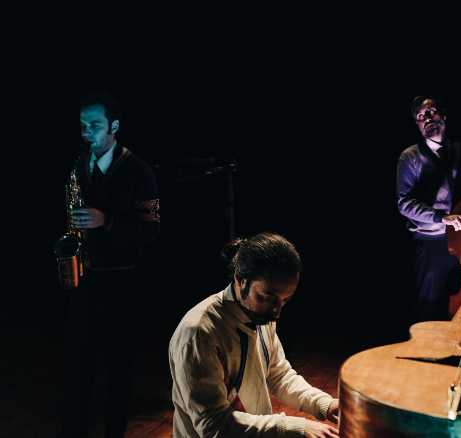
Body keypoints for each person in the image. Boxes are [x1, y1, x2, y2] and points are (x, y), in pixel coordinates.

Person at [58, 91, 160, 438]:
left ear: (114, 126)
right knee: (79, 372)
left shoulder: (139, 171)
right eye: (83, 126)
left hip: (122, 285)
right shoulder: (78, 164)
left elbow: (152, 229)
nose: (87, 132)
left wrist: (108, 222)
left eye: (95, 125)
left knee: (118, 373)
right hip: (85, 282)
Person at [169, 232, 340, 437]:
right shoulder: (199, 332)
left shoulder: (261, 315)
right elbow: (213, 426)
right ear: (241, 280)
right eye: (268, 297)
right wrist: (296, 427)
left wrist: (325, 404)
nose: (277, 311)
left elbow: (279, 375)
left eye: (285, 300)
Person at [396, 95, 461, 323]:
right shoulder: (409, 157)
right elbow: (404, 203)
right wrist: (443, 218)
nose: (427, 118)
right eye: (420, 116)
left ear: (444, 116)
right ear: (418, 125)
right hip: (431, 243)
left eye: (431, 112)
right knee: (430, 305)